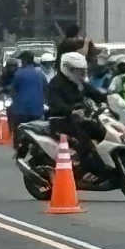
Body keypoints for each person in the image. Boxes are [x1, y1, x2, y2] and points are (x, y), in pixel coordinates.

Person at [45, 51, 109, 179]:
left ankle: (106, 165)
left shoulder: (79, 83)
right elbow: (55, 103)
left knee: (103, 132)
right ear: (68, 69)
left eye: (82, 70)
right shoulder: (55, 84)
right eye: (78, 70)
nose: (81, 73)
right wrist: (70, 111)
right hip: (61, 121)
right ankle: (85, 172)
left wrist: (108, 98)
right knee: (83, 141)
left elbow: (94, 93)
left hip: (81, 119)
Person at [5, 49, 46, 138]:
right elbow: (46, 90)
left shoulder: (18, 73)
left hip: (20, 111)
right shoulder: (40, 74)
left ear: (25, 60)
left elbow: (13, 91)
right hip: (37, 111)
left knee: (17, 133)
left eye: (22, 60)